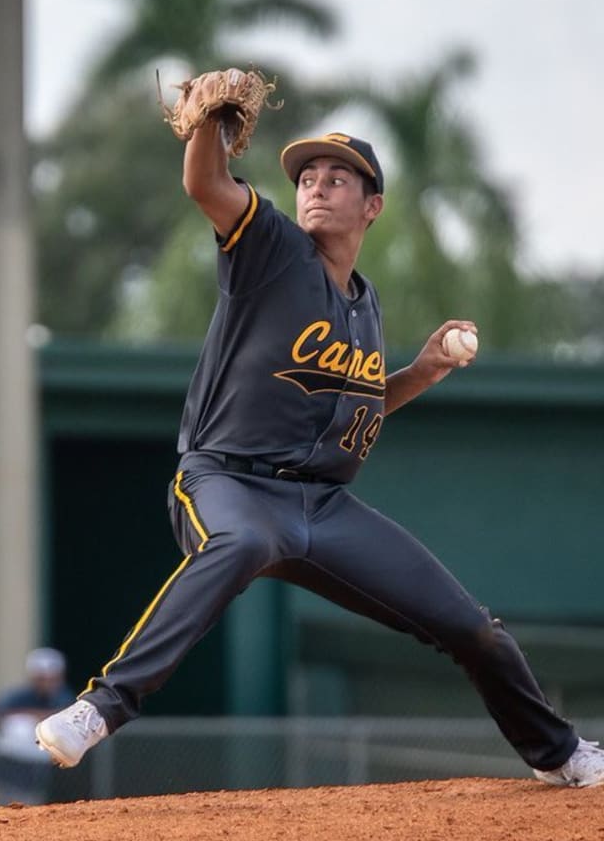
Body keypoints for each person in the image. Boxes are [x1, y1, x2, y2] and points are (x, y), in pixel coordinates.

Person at [35, 100, 604, 789]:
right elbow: (206, 186)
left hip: (323, 507)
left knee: (472, 627)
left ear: (373, 206)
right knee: (239, 543)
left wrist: (421, 373)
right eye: (309, 176)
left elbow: (354, 410)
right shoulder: (271, 250)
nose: (317, 184)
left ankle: (559, 754)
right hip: (227, 481)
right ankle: (101, 707)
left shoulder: (365, 306)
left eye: (339, 176)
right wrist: (210, 122)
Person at [0, 647, 75, 805]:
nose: (47, 683)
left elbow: (68, 714)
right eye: (41, 678)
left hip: (51, 761)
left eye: (51, 678)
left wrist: (35, 716)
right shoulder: (18, 696)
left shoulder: (63, 696)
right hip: (14, 760)